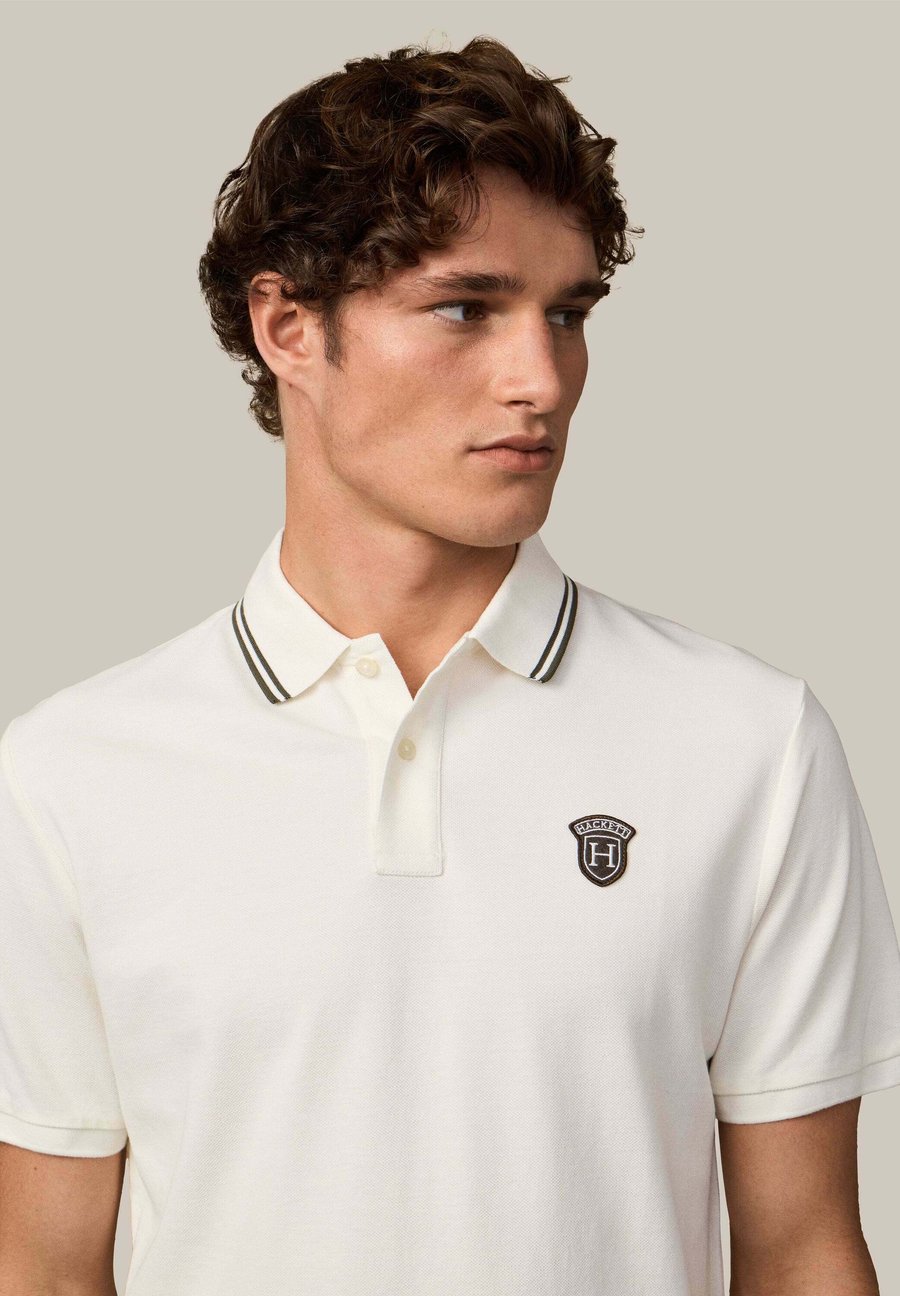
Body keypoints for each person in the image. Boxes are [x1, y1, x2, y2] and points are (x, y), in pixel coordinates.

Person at [1, 33, 898, 1296]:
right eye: (467, 308)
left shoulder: (751, 747)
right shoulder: (68, 780)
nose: (542, 379)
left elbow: (803, 1253)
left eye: (568, 314)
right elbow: (41, 1269)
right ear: (288, 325)